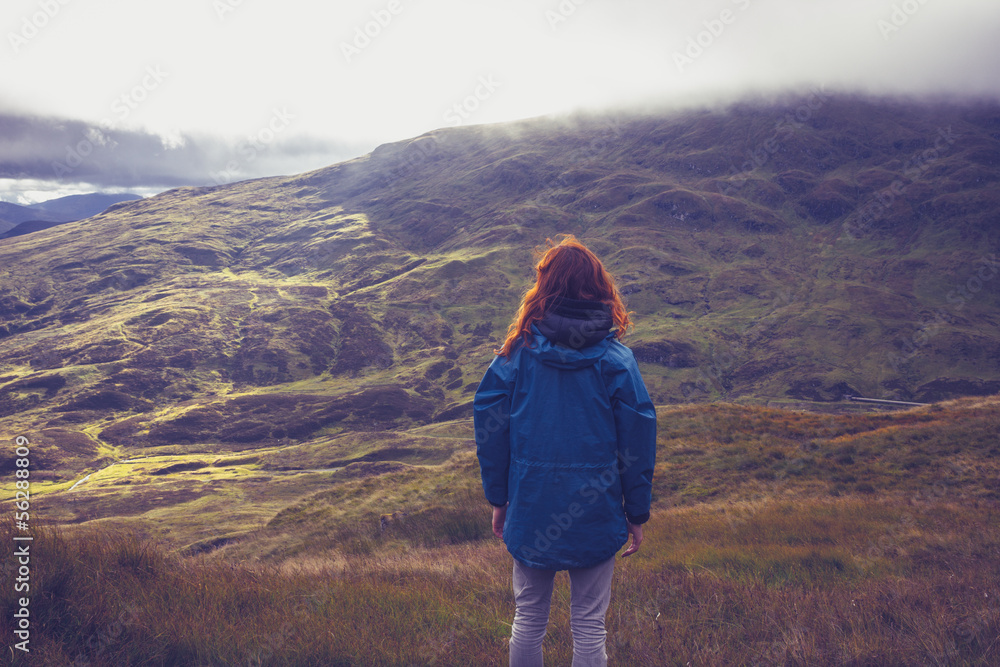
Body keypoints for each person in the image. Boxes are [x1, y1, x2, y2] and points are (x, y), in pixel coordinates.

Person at [474, 235, 657, 667]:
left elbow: (490, 431)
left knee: (529, 618)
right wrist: (638, 513)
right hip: (597, 513)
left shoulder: (514, 357)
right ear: (599, 288)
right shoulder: (617, 360)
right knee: (590, 624)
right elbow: (639, 440)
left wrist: (499, 500)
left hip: (532, 507)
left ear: (543, 288)